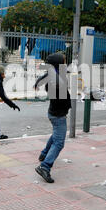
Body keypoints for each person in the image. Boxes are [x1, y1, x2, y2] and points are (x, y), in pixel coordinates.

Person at [34, 53, 72, 183]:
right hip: (58, 115)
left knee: (56, 134)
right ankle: (45, 166)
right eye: (64, 61)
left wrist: (37, 82)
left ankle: (44, 153)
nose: (66, 63)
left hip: (54, 113)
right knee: (59, 142)